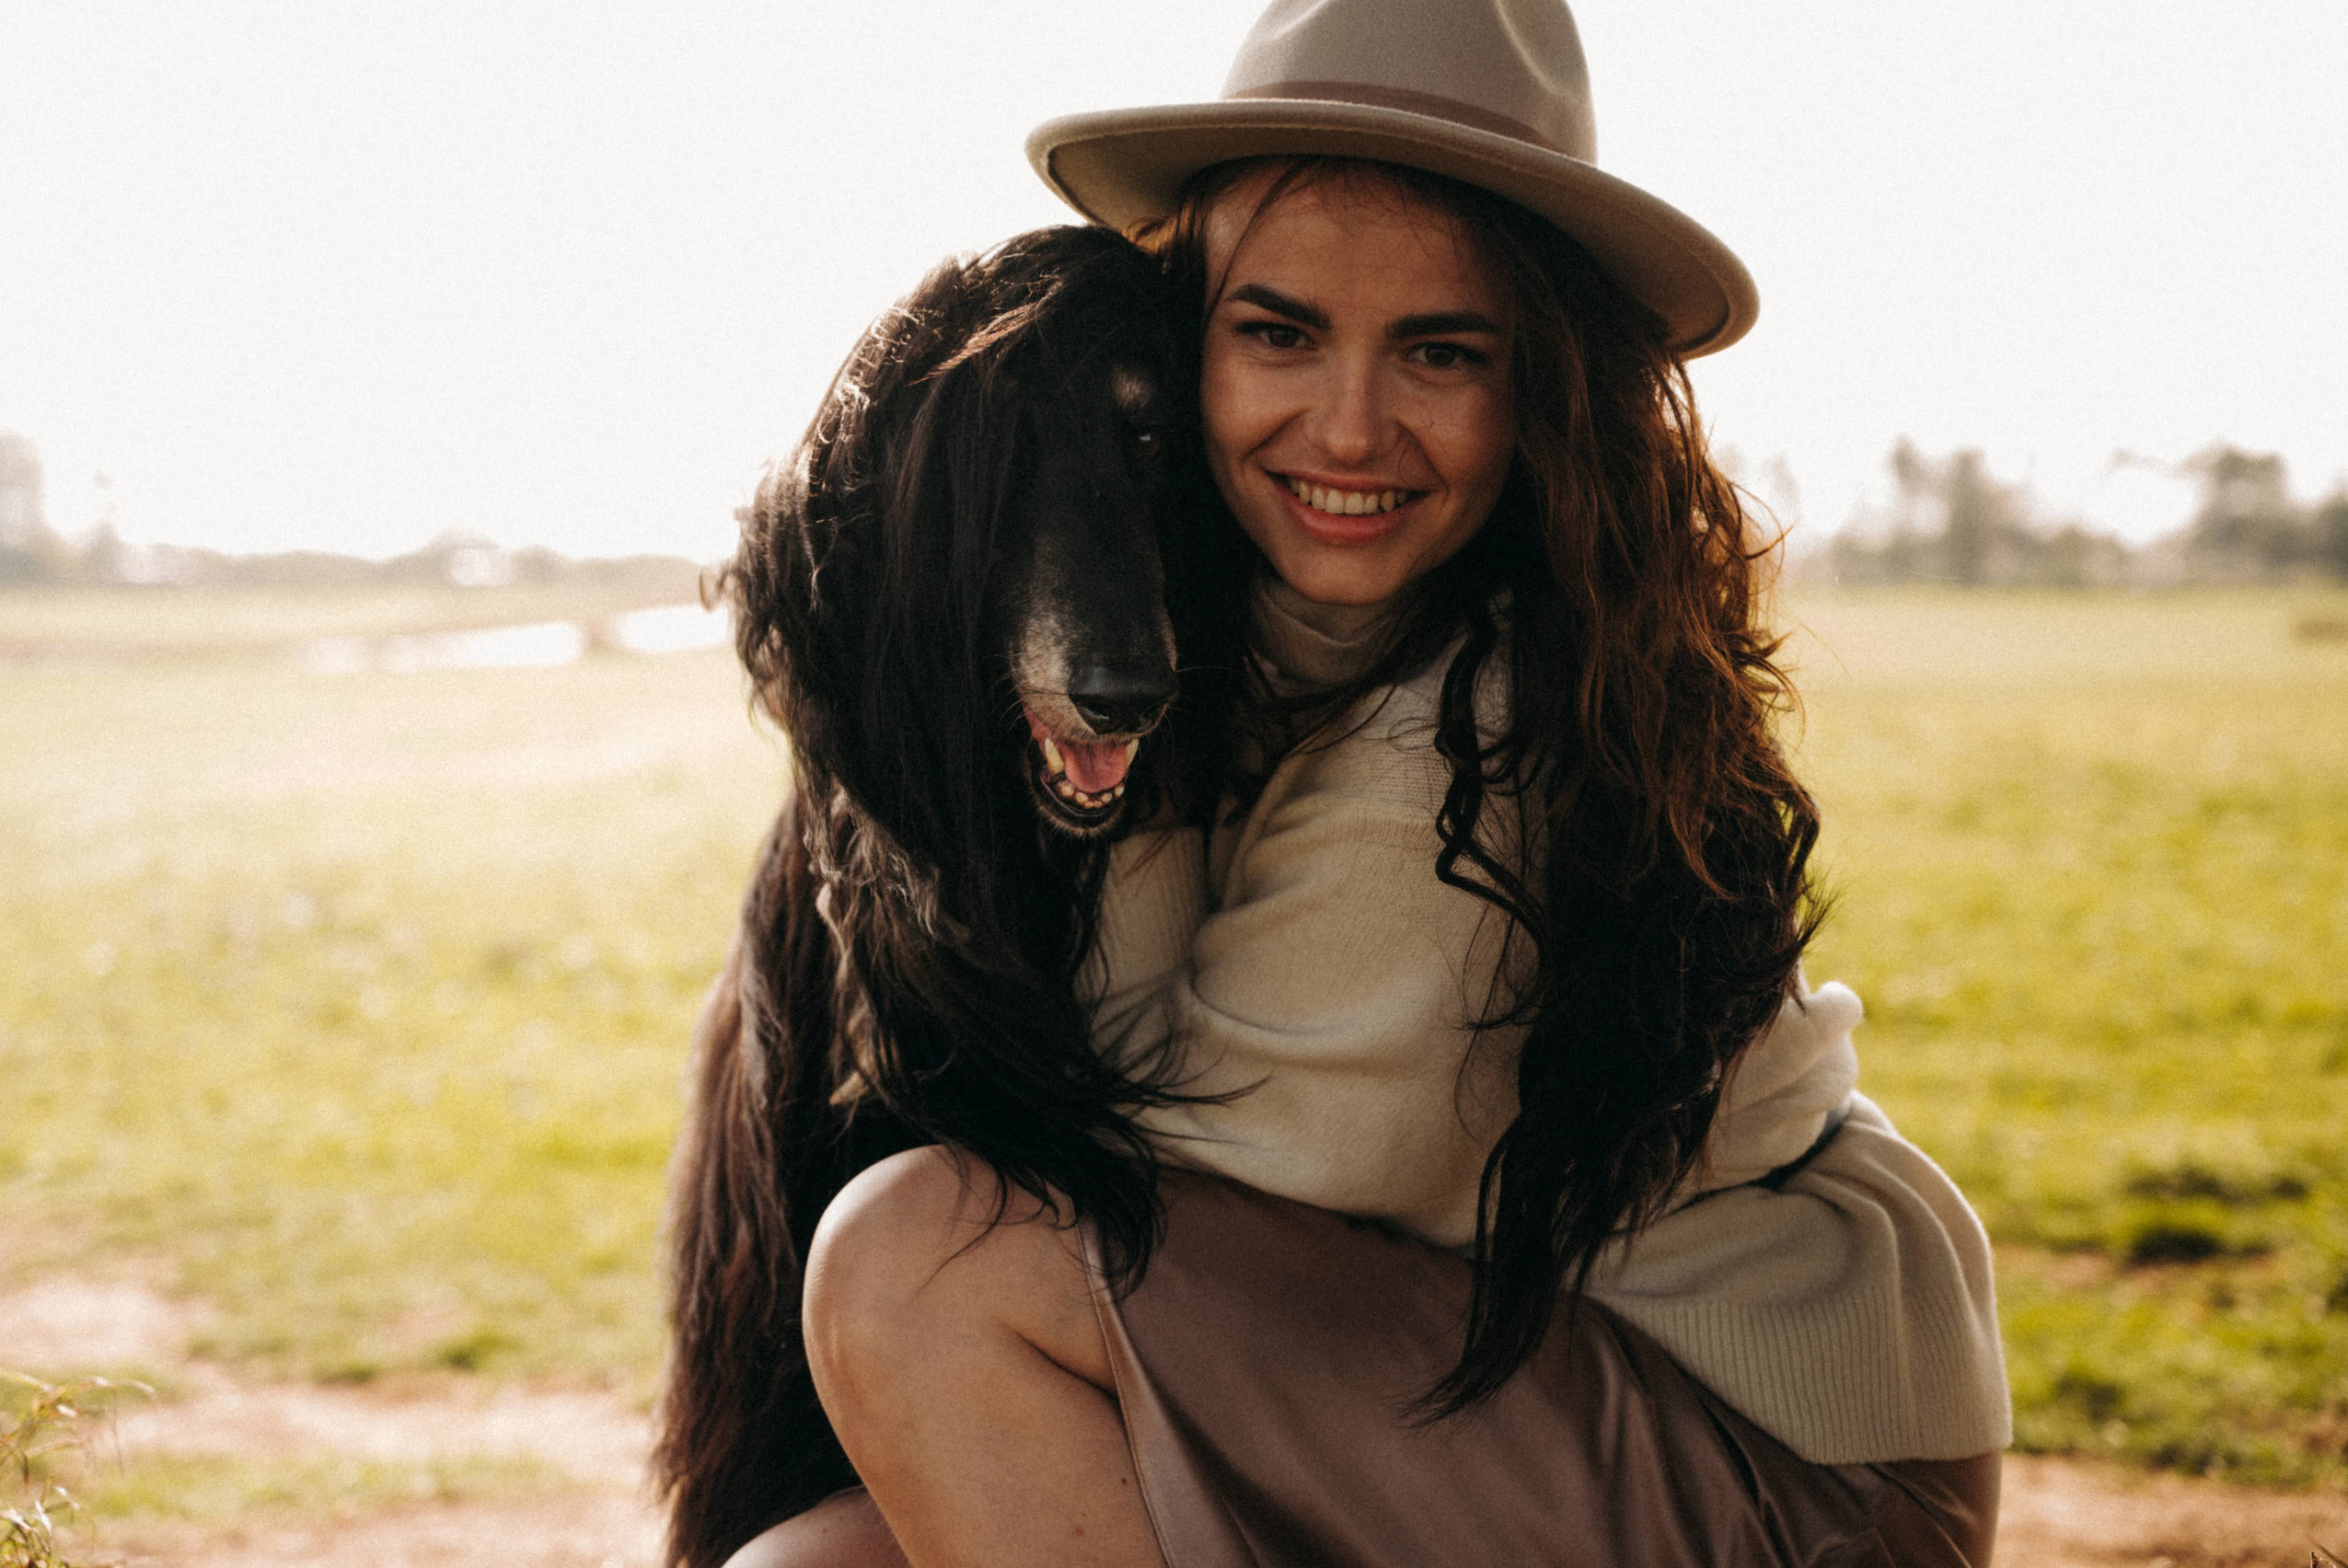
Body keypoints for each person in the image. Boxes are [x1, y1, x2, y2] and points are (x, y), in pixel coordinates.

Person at [735, 1, 2010, 1563]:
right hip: (1460, 1384)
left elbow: (1170, 1165)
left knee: (918, 1267)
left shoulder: (1474, 747)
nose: (1349, 426)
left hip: (1778, 1471)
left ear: (1546, 385)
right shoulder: (1246, 645)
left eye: (1442, 351)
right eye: (1277, 332)